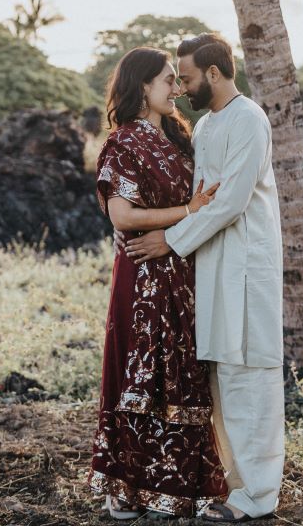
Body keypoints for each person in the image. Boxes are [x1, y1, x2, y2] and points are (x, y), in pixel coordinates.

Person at [126, 33, 285, 523]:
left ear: (214, 73)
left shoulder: (249, 120)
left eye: (188, 77)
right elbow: (200, 198)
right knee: (220, 380)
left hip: (246, 268)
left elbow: (232, 201)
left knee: (250, 381)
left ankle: (257, 498)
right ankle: (235, 487)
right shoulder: (208, 124)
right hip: (211, 268)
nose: (182, 87)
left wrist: (169, 240)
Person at [89, 46, 228, 520]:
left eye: (176, 79)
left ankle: (177, 486)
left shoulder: (174, 139)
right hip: (142, 279)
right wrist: (188, 212)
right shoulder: (123, 143)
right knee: (140, 378)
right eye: (168, 80)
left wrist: (180, 229)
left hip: (183, 275)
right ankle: (125, 487)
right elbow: (123, 214)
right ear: (142, 87)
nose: (177, 88)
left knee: (183, 378)